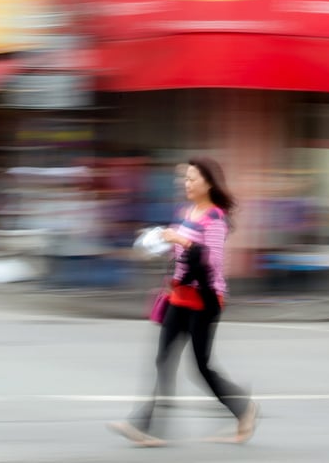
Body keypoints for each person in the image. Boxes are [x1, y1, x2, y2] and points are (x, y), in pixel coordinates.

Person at [109, 157, 259, 447]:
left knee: (202, 367)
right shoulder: (185, 211)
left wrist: (180, 239)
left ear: (208, 182)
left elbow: (211, 261)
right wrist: (155, 241)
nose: (186, 183)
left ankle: (244, 409)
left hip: (205, 299)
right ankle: (146, 427)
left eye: (192, 178)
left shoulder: (215, 218)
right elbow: (178, 252)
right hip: (178, 296)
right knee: (163, 360)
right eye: (185, 179)